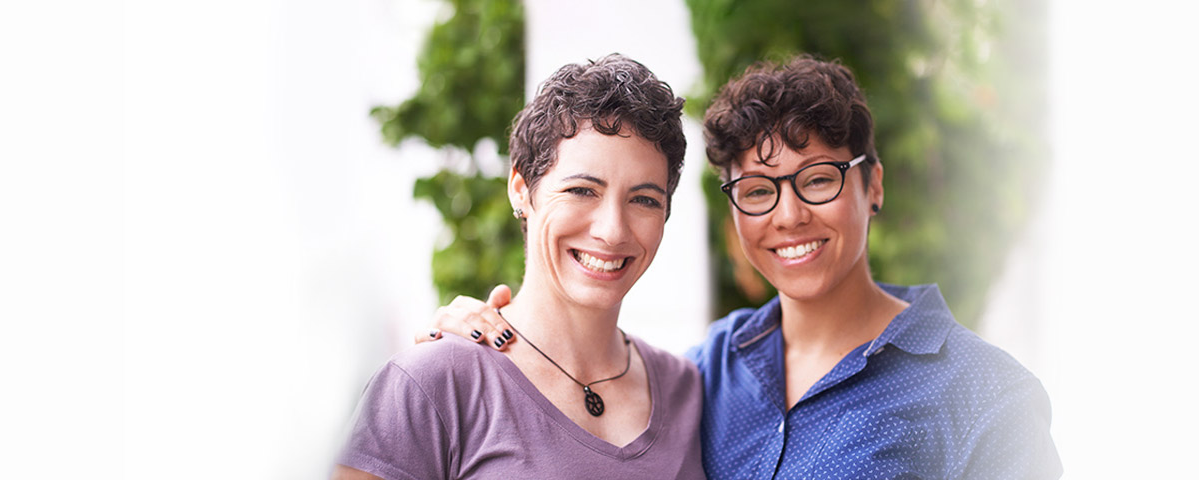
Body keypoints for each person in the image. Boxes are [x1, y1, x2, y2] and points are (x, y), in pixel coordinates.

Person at [422, 55, 1062, 479]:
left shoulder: (986, 393)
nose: (788, 216)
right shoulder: (707, 371)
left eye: (817, 180)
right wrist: (475, 331)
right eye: (757, 190)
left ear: (873, 187)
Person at [334, 54, 706, 480]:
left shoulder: (687, 391)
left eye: (644, 199)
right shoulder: (432, 384)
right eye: (583, 190)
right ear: (521, 191)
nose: (612, 230)